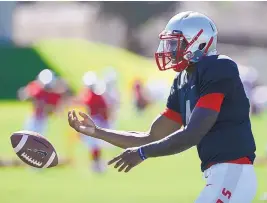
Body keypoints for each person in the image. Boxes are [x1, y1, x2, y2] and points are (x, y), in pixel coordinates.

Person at [68, 11, 257, 202]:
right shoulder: (182, 80)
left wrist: (143, 154)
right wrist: (97, 132)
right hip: (220, 177)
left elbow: (193, 134)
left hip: (234, 173)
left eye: (175, 43)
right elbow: (151, 137)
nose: (169, 50)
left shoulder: (218, 67)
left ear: (198, 42)